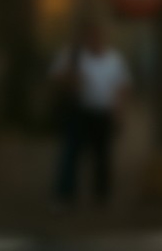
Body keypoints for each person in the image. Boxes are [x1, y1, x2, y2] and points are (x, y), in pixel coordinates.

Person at [50, 18, 130, 209]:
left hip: (103, 114)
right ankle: (65, 196)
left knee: (102, 157)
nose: (95, 40)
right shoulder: (74, 56)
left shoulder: (114, 59)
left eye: (98, 36)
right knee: (71, 155)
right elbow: (55, 78)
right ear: (85, 38)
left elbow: (122, 87)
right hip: (79, 112)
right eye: (90, 36)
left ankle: (102, 196)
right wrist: (71, 77)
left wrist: (119, 112)